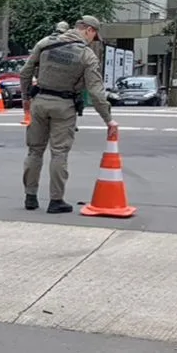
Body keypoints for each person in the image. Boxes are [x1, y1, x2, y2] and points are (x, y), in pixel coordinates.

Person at [18, 16, 117, 213]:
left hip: (40, 102)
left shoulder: (45, 43)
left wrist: (26, 100)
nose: (93, 40)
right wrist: (108, 119)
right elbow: (96, 92)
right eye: (94, 36)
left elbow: (25, 73)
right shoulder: (86, 56)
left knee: (34, 151)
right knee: (59, 153)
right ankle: (56, 201)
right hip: (64, 106)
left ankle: (30, 197)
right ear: (88, 30)